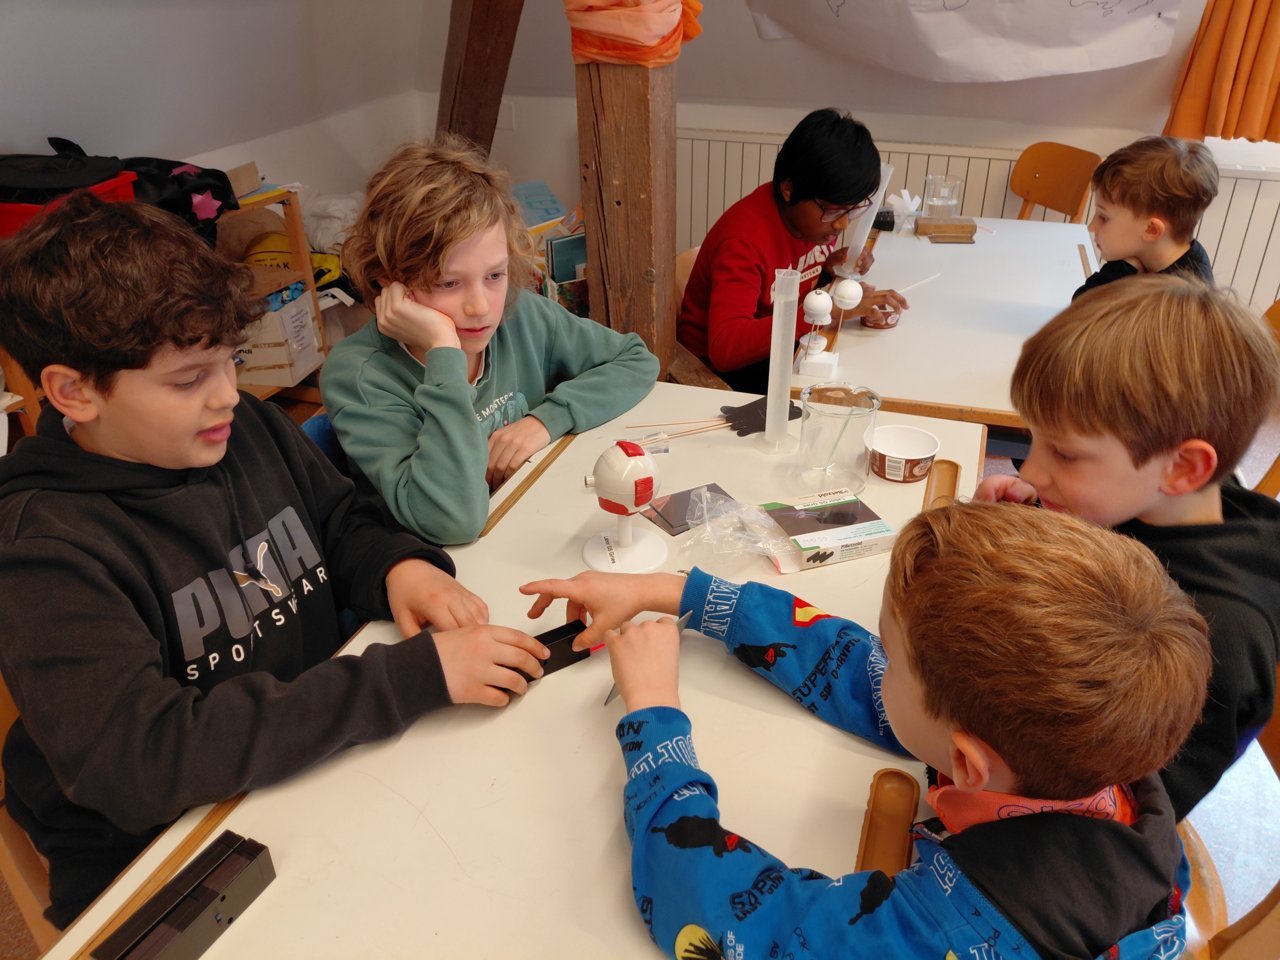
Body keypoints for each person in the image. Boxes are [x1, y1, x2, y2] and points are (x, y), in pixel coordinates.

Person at [0, 193, 553, 929]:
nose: (228, 395)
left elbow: (340, 520)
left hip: (311, 759)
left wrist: (398, 566)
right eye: (188, 379)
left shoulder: (248, 428)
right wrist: (405, 679)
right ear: (73, 392)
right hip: (160, 851)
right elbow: (142, 759)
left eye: (230, 362)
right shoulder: (41, 553)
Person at [520, 502, 1211, 959]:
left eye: (895, 662)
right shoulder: (1087, 739)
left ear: (967, 762)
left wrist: (652, 716)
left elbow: (719, 915)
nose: (878, 666)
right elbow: (855, 671)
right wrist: (677, 592)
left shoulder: (952, 931)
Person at [978, 274, 1280, 819]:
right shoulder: (1137, 503)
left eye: (1064, 454)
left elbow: (1124, 812)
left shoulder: (1221, 642)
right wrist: (1031, 523)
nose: (1030, 471)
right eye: (1032, 439)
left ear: (1183, 468)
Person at [321, 136, 660, 546]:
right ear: (387, 281)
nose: (481, 307)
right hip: (441, 563)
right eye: (448, 283)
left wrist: (545, 421)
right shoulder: (359, 375)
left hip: (524, 527)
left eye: (495, 275)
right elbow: (452, 522)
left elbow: (635, 359)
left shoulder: (522, 314)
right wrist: (442, 350)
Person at [677, 108, 908, 393]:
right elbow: (726, 348)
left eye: (853, 209)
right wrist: (827, 312)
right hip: (717, 379)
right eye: (833, 210)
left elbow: (785, 279)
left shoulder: (811, 223)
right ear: (789, 189)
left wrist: (828, 270)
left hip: (774, 350)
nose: (842, 223)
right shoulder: (744, 241)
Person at [1073, 136, 1218, 300]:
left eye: (1103, 217)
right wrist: (1122, 268)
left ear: (1151, 229)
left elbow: (1082, 309)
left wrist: (1121, 271)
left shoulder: (1179, 302)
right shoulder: (1141, 250)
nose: (1091, 227)